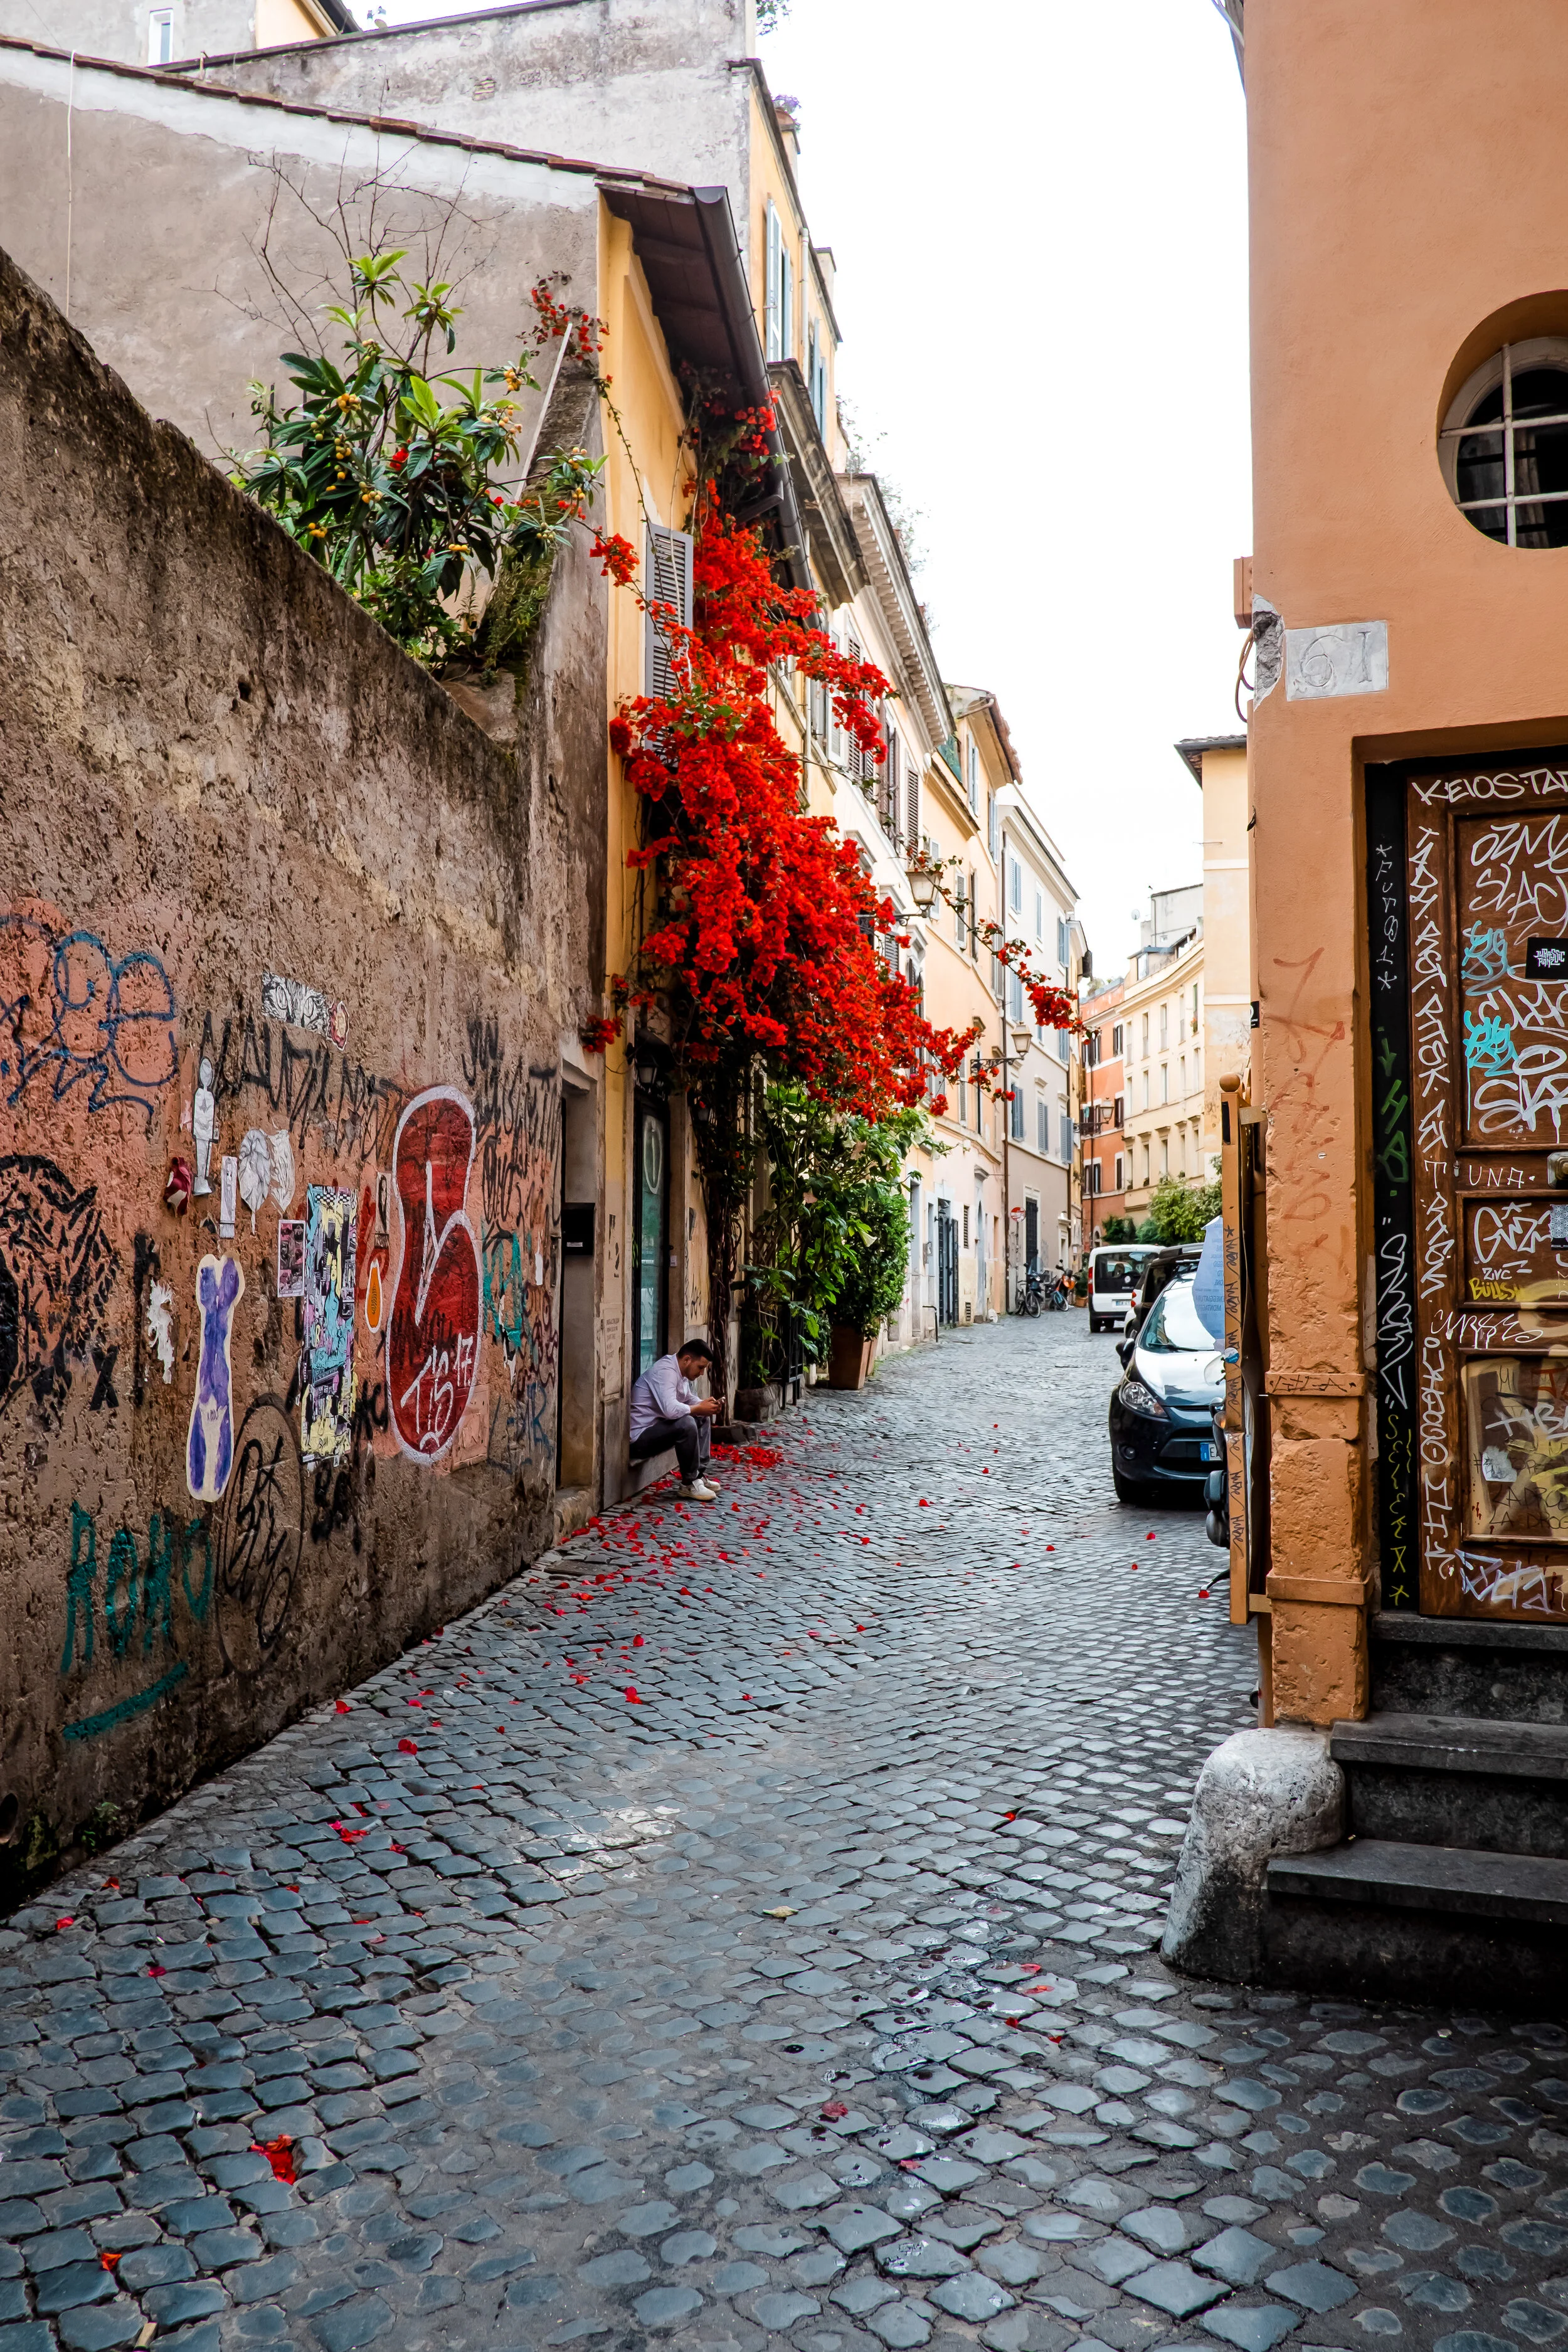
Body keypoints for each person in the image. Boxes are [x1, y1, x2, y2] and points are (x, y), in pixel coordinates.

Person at [628, 1337, 722, 1501]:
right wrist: (698, 1408)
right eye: (700, 1368)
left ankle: (698, 1476)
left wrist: (705, 1406)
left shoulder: (681, 1372)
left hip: (658, 1429)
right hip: (640, 1439)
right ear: (687, 1360)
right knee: (687, 1423)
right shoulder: (665, 1372)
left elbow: (687, 1399)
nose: (701, 1373)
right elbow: (671, 1411)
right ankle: (689, 1483)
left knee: (701, 1417)